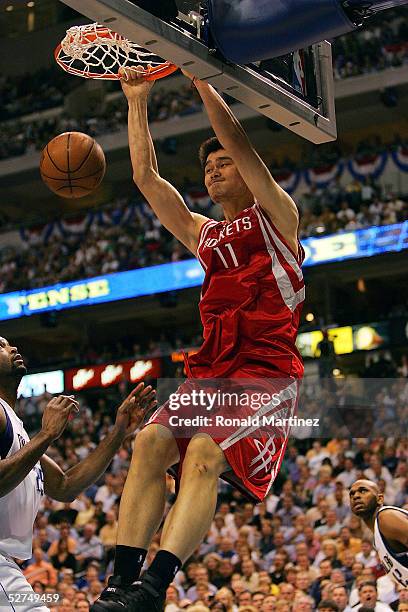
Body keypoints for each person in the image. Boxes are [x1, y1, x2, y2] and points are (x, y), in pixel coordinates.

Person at [91, 66, 305, 612]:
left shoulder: (278, 218)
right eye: (206, 168)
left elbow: (235, 137)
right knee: (149, 442)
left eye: (222, 164)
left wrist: (202, 79)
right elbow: (147, 179)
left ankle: (154, 587)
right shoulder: (204, 234)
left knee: (205, 453)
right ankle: (120, 585)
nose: (212, 172)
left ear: (249, 172)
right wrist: (136, 99)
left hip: (263, 375)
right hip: (210, 373)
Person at [0, 336, 156, 612]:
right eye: (0, 346)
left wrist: (119, 431)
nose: (11, 348)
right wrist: (48, 434)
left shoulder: (17, 428)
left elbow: (65, 486)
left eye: (9, 344)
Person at [349, 479, 408, 588]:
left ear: (380, 499)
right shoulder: (378, 534)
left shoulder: (386, 518)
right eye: (352, 494)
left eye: (363, 491)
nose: (356, 496)